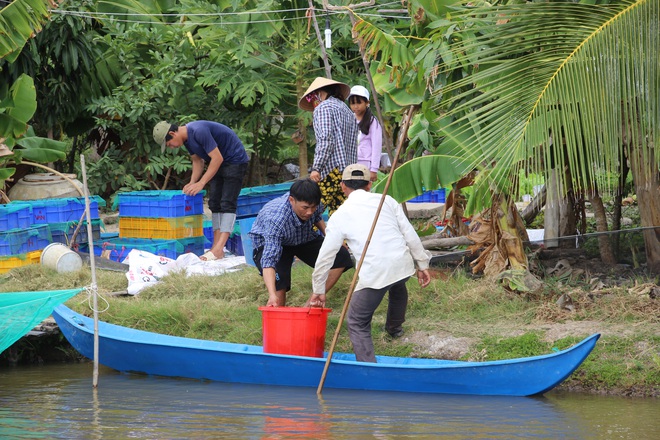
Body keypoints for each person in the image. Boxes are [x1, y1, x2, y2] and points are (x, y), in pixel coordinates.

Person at [307, 164, 432, 363]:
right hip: (402, 263)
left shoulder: (339, 215)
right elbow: (410, 233)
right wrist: (422, 265)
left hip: (377, 271)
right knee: (397, 284)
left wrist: (319, 289)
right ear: (369, 184)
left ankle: (368, 366)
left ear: (342, 186)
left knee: (356, 321)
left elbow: (325, 257)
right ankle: (394, 328)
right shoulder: (387, 200)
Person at [248, 178, 353, 307]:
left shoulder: (315, 204)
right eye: (305, 208)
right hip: (273, 242)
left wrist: (331, 238)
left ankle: (311, 303)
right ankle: (278, 315)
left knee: (341, 256)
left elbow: (317, 217)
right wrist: (271, 294)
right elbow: (269, 260)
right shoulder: (276, 219)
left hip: (302, 237)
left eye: (313, 207)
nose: (309, 212)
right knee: (279, 280)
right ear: (292, 200)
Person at [153, 120, 249, 260]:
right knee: (214, 203)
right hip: (219, 163)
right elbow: (198, 161)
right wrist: (192, 183)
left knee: (227, 203)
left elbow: (217, 157)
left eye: (169, 144)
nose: (171, 147)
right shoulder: (186, 140)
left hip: (235, 160)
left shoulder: (198, 131)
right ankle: (216, 248)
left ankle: (219, 247)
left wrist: (202, 182)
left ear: (172, 133)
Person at [298, 77, 359, 216]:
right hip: (346, 172)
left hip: (331, 171)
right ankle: (341, 239)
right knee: (341, 215)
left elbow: (326, 140)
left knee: (309, 211)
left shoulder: (324, 107)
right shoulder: (347, 111)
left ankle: (307, 237)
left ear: (320, 93)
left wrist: (316, 168)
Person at [347, 85, 383, 182]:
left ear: (367, 103)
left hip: (365, 163)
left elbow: (376, 146)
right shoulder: (349, 119)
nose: (355, 106)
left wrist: (374, 169)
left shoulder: (372, 122)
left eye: (359, 103)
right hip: (350, 161)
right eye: (352, 103)